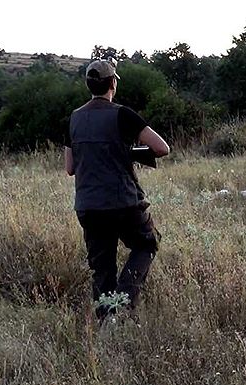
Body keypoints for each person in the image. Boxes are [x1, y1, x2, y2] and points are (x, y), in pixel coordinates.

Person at [64, 59, 170, 319]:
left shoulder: (74, 118)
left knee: (102, 269)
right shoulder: (122, 114)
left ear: (89, 85)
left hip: (88, 206)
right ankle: (124, 302)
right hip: (123, 202)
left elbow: (70, 167)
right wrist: (129, 152)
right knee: (146, 244)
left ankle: (106, 326)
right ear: (113, 83)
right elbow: (161, 148)